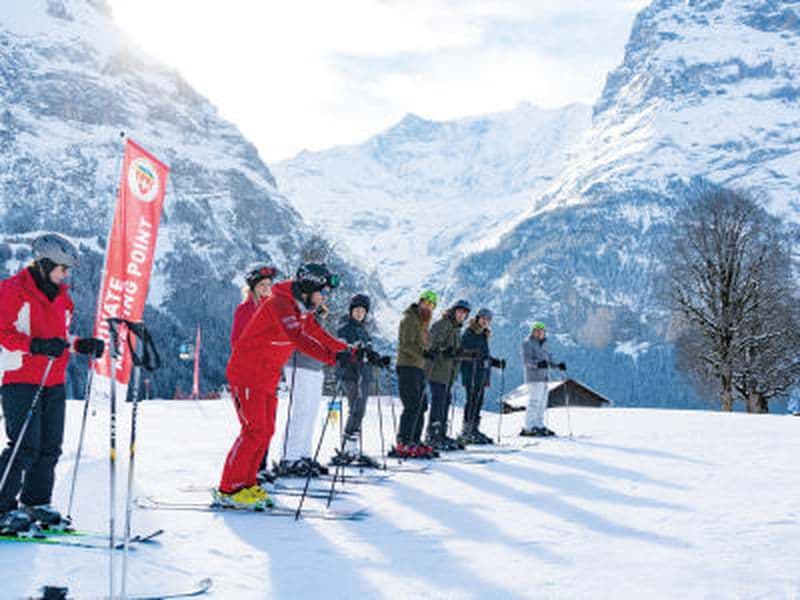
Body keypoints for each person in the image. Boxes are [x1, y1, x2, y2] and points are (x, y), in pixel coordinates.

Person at [216, 263, 350, 509]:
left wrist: (349, 351)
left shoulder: (300, 307)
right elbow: (298, 338)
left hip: (266, 376)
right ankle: (228, 489)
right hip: (248, 374)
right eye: (322, 291)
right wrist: (333, 358)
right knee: (253, 431)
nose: (324, 298)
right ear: (308, 288)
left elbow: (318, 335)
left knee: (265, 431)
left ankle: (246, 484)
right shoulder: (281, 304)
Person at [0, 234, 104, 533]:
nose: (66, 275)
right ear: (45, 264)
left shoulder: (62, 297)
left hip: (52, 378)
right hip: (20, 376)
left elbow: (58, 340)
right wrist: (35, 346)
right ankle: (2, 508)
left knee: (49, 446)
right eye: (63, 268)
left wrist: (81, 345)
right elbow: (3, 333)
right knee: (24, 446)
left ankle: (36, 502)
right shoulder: (13, 290)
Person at [331, 293, 388, 468]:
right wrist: (356, 352)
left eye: (362, 311)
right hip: (350, 374)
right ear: (351, 311)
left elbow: (368, 350)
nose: (359, 313)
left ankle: (352, 448)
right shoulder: (344, 328)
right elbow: (342, 350)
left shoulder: (364, 331)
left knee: (360, 410)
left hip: (364, 375)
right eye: (356, 310)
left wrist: (376, 359)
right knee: (355, 409)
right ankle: (347, 449)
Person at [390, 291, 437, 459]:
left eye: (432, 305)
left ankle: (414, 441)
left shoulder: (423, 323)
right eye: (426, 303)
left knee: (421, 406)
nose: (428, 307)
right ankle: (403, 441)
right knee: (412, 405)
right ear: (420, 302)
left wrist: (428, 353)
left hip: (418, 368)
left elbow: (420, 345)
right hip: (407, 367)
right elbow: (406, 344)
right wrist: (424, 354)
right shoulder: (410, 319)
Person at [425, 299, 471, 451]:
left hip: (448, 373)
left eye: (465, 313)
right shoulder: (443, 324)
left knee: (445, 400)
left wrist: (463, 354)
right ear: (453, 311)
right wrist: (446, 351)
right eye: (460, 311)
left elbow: (453, 351)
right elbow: (431, 344)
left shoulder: (455, 328)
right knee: (439, 401)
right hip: (437, 370)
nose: (462, 315)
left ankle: (441, 433)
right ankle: (433, 435)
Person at [459, 308, 505, 445]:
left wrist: (496, 362)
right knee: (472, 401)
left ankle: (474, 429)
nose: (486, 321)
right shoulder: (470, 333)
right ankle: (467, 431)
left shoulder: (482, 335)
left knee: (478, 401)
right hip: (471, 373)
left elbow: (484, 356)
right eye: (483, 318)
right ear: (478, 318)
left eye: (488, 320)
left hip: (481, 374)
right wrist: (472, 357)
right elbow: (463, 352)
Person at [520, 321, 566, 437]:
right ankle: (528, 427)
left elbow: (549, 360)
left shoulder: (545, 344)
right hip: (534, 378)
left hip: (545, 378)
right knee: (534, 402)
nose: (540, 333)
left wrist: (557, 366)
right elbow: (527, 362)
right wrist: (538, 365)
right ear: (533, 332)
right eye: (537, 330)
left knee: (542, 403)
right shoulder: (528, 343)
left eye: (542, 331)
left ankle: (539, 425)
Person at [230, 265, 276, 348]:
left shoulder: (273, 305)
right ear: (254, 287)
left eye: (269, 284)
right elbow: (236, 341)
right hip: (256, 357)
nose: (267, 287)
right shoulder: (244, 309)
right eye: (262, 284)